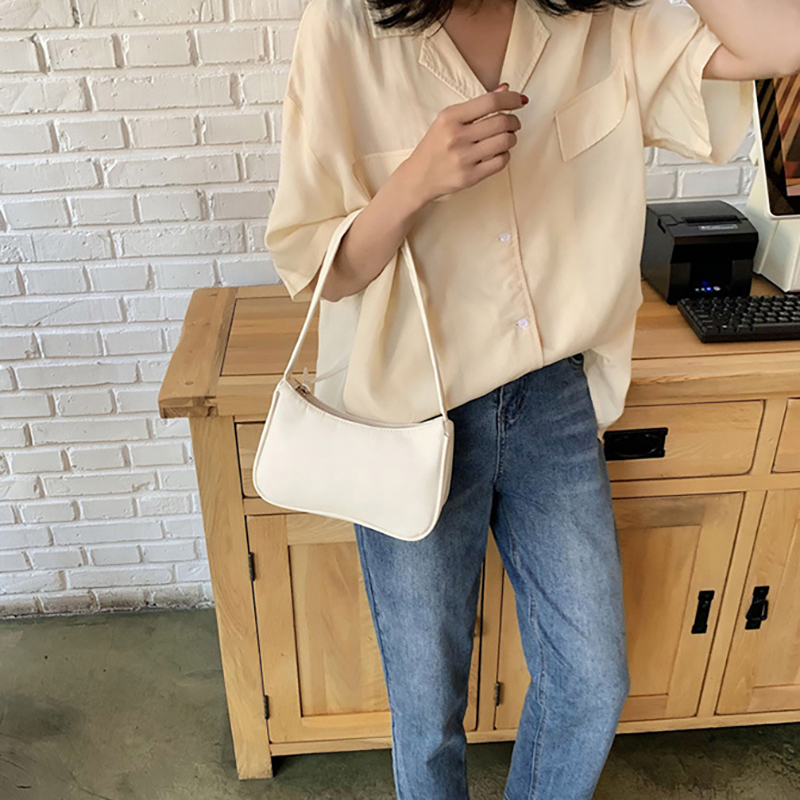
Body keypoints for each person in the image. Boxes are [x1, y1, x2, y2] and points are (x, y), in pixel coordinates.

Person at [264, 0, 799, 797]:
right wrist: (414, 183)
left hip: (553, 401)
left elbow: (783, 43)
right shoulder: (345, 26)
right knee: (427, 709)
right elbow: (320, 272)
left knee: (591, 682)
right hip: (409, 411)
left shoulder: (601, 19)